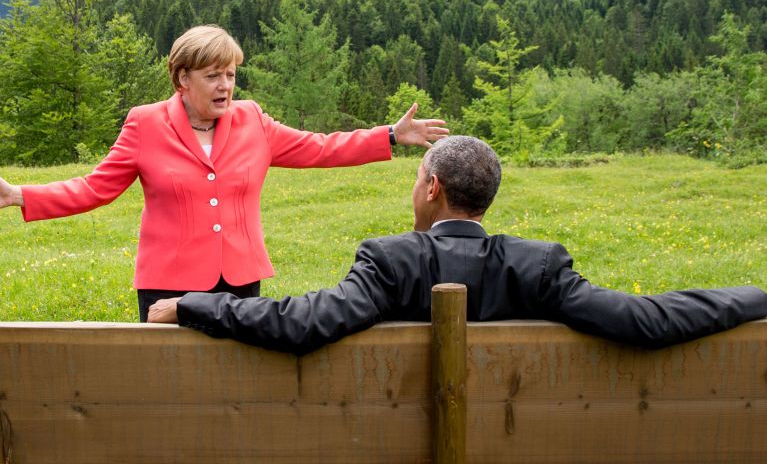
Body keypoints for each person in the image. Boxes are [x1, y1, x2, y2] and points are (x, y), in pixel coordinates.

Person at [148, 136, 767, 354]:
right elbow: (647, 320)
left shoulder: (390, 262)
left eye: (417, 180)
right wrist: (756, 296)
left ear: (433, 188)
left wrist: (195, 304)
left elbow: (303, 323)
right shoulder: (538, 267)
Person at [0, 25, 448, 321]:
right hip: (166, 284)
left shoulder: (253, 119)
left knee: (237, 386)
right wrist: (19, 194)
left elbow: (319, 147)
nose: (226, 86)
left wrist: (388, 135)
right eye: (214, 76)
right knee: (169, 388)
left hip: (239, 281)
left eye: (231, 75)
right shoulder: (144, 123)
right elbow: (95, 187)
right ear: (182, 79)